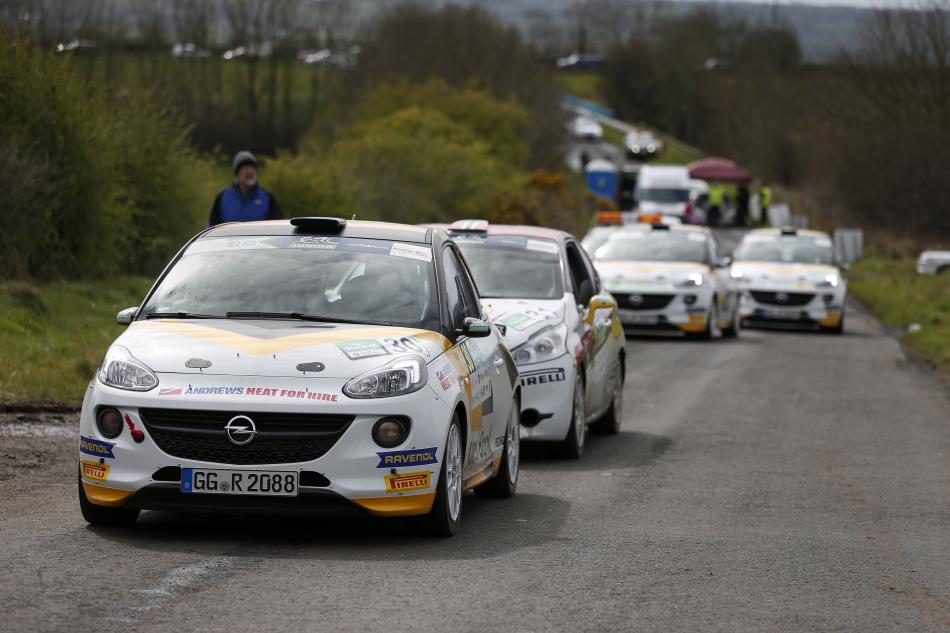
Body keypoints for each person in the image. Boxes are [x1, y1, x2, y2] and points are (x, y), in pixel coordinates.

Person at [208, 151, 283, 226]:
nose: (250, 172)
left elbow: (277, 227)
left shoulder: (268, 197)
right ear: (237, 173)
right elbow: (212, 227)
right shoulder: (222, 196)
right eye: (246, 168)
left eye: (252, 168)